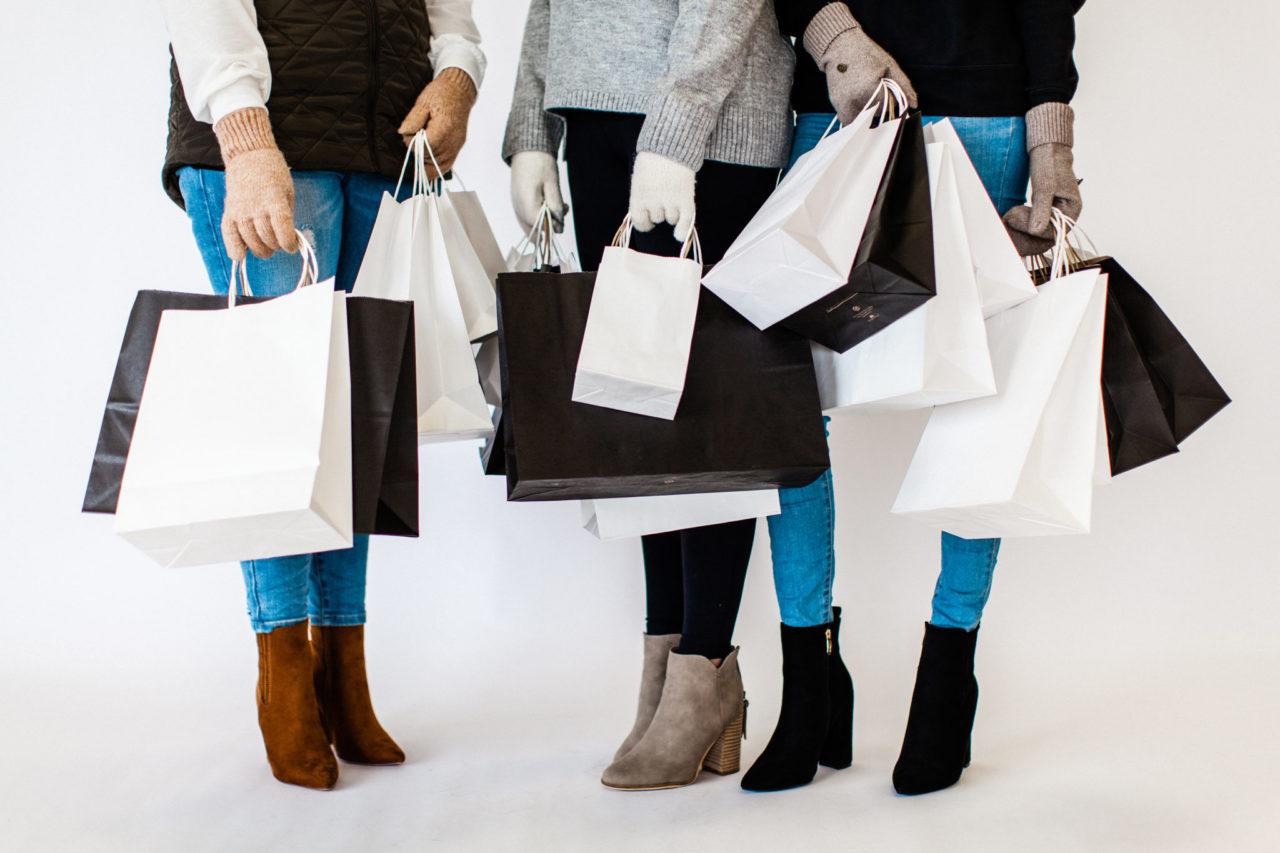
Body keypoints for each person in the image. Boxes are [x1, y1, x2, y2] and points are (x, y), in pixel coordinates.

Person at [743, 0, 1084, 794]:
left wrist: (1052, 141)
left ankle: (948, 671)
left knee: (979, 400)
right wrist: (835, 38)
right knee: (794, 398)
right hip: (839, 102)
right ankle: (810, 673)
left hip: (986, 111)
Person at [158, 0, 485, 790]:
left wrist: (457, 75)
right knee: (282, 418)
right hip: (274, 141)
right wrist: (244, 137)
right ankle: (283, 667)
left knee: (358, 422)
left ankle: (343, 665)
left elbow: (450, 9)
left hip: (384, 148)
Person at [503, 0, 794, 791]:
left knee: (708, 406)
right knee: (638, 404)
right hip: (595, 124)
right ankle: (668, 664)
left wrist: (673, 135)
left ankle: (706, 667)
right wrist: (531, 127)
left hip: (705, 132)